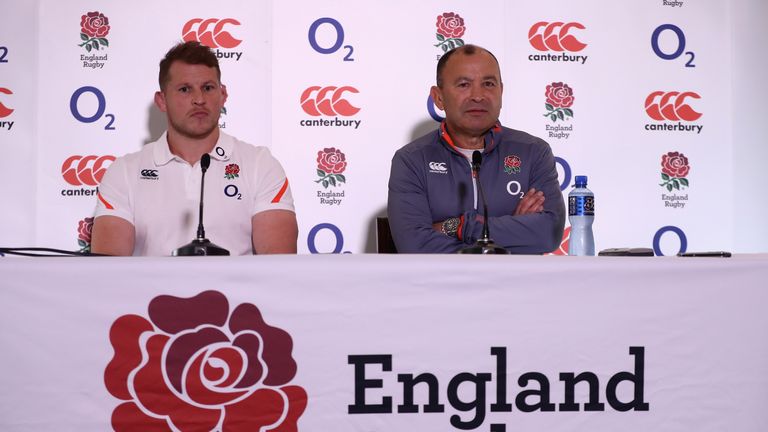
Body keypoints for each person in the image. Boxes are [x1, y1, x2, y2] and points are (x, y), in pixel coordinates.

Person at [91, 41, 297, 256]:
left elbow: (278, 267)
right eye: (185, 89)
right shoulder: (124, 172)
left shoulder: (260, 165)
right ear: (162, 101)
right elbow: (108, 269)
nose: (199, 100)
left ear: (223, 95)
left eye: (208, 88)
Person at [387, 44, 565, 253]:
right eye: (464, 85)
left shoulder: (533, 152)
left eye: (488, 84)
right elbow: (415, 245)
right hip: (442, 276)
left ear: (501, 91)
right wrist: (514, 233)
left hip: (516, 276)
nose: (478, 96)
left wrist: (461, 226)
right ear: (439, 98)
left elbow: (548, 233)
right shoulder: (412, 160)